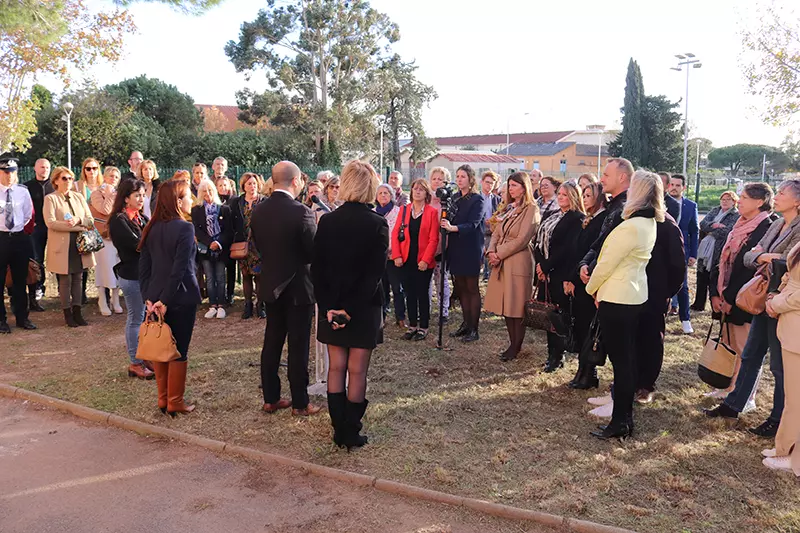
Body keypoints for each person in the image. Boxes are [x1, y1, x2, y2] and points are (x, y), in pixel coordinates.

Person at [706, 181, 800, 437]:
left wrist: (765, 256)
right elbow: (750, 257)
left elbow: (791, 262)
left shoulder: (795, 228)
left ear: (797, 202)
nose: (777, 196)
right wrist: (765, 257)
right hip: (763, 297)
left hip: (782, 302)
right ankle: (733, 405)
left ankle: (778, 418)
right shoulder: (779, 224)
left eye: (782, 193)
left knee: (779, 367)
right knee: (750, 354)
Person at [313, 160, 388, 448]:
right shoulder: (377, 223)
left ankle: (338, 429)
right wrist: (350, 310)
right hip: (363, 307)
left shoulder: (328, 221)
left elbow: (317, 270)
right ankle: (350, 430)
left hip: (333, 305)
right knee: (356, 371)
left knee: (336, 367)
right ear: (370, 186)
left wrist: (331, 307)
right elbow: (373, 275)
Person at [585, 170, 661, 440]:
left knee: (622, 363)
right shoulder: (649, 223)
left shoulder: (630, 226)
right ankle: (624, 419)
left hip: (617, 297)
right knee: (626, 361)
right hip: (633, 295)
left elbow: (606, 263)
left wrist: (591, 288)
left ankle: (620, 422)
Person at [251, 161, 320, 417]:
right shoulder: (301, 211)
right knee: (298, 346)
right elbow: (313, 251)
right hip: (298, 287)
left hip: (270, 283)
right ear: (295, 181)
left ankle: (271, 398)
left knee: (272, 341)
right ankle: (300, 403)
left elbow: (258, 246)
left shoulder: (258, 211)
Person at [703, 183, 774, 414]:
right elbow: (721, 259)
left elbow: (749, 270)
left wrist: (731, 298)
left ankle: (746, 395)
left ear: (760, 201)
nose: (739, 201)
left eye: (744, 197)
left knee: (745, 349)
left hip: (743, 298)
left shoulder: (767, 227)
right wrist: (715, 293)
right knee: (729, 344)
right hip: (725, 295)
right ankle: (728, 386)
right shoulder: (739, 224)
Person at [139, 180, 201, 415]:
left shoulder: (151, 227)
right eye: (187, 196)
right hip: (179, 298)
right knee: (178, 350)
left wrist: (149, 297)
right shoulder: (185, 228)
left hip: (155, 297)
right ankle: (175, 401)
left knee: (161, 348)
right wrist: (163, 300)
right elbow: (180, 268)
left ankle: (164, 399)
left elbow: (144, 268)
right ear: (177, 201)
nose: (191, 201)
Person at [484, 172, 540, 361]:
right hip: (502, 260)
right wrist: (491, 252)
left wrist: (499, 254)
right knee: (507, 305)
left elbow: (522, 239)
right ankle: (512, 343)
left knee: (517, 306)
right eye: (509, 186)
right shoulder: (510, 208)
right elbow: (497, 233)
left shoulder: (531, 209)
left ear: (524, 187)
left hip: (518, 261)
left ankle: (516, 346)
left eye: (515, 185)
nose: (511, 189)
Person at [633, 208, 686, 404]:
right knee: (634, 338)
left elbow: (678, 266)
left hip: (655, 293)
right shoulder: (634, 220)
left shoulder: (667, 224)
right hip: (633, 289)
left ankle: (646, 385)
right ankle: (631, 380)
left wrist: (665, 293)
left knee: (652, 339)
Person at [534, 181, 585, 371]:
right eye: (560, 194)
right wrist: (540, 264)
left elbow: (568, 249)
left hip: (560, 272)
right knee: (548, 314)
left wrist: (547, 266)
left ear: (573, 196)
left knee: (559, 316)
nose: (561, 197)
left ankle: (559, 356)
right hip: (545, 272)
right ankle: (551, 354)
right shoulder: (553, 215)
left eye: (565, 195)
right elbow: (539, 240)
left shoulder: (577, 218)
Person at [108, 178, 153, 380]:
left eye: (143, 195)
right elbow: (136, 244)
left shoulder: (141, 217)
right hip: (131, 275)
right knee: (135, 318)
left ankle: (143, 357)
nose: (141, 199)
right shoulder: (119, 220)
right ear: (126, 198)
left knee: (145, 318)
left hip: (144, 274)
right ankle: (135, 362)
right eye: (137, 195)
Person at [568, 181, 609, 389]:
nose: (584, 198)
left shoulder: (603, 219)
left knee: (589, 329)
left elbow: (594, 252)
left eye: (588, 194)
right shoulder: (590, 218)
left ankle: (588, 372)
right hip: (580, 276)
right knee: (582, 327)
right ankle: (582, 371)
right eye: (583, 194)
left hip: (589, 280)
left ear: (599, 197)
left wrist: (576, 278)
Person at [763, 242, 800, 473]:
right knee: (792, 396)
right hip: (790, 325)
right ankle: (784, 448)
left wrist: (777, 303)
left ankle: (794, 459)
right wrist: (777, 292)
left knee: (797, 400)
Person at [43, 167, 95, 327]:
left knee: (78, 278)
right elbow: (50, 223)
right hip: (62, 246)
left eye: (70, 178)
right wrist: (77, 226)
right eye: (64, 178)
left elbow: (90, 220)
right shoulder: (50, 199)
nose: (68, 182)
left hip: (79, 244)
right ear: (56, 181)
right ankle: (67, 314)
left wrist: (78, 220)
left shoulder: (79, 197)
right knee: (65, 280)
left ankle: (78, 312)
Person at [442, 164, 486, 343]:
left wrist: (454, 228)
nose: (459, 179)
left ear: (470, 179)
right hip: (455, 247)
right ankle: (465, 324)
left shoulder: (477, 200)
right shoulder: (454, 198)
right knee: (460, 288)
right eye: (457, 176)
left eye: (463, 176)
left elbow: (474, 224)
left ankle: (474, 329)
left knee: (471, 288)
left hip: (470, 248)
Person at [392, 179, 439, 341]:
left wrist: (426, 260)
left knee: (422, 293)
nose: (417, 191)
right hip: (405, 259)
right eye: (415, 189)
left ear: (426, 193)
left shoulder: (432, 212)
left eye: (421, 189)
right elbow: (395, 234)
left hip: (423, 261)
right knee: (409, 293)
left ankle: (423, 326)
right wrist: (397, 255)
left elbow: (434, 239)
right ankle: (412, 325)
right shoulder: (404, 210)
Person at [578, 158, 633, 287]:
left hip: (614, 284)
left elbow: (609, 250)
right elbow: (599, 243)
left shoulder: (625, 209)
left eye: (606, 175)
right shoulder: (613, 206)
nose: (602, 180)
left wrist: (590, 273)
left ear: (622, 177)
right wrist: (584, 263)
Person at [0, 157, 37, 333]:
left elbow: (28, 214)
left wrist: (19, 230)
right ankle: (1, 321)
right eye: (6, 172)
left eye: (12, 172)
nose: (9, 176)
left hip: (19, 237)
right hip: (0, 237)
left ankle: (22, 317)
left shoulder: (23, 192)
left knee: (20, 280)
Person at [191, 179, 234, 319]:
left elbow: (229, 230)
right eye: (204, 191)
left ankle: (221, 305)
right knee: (209, 278)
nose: (207, 193)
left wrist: (218, 242)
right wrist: (210, 242)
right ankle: (212, 305)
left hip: (221, 249)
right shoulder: (196, 210)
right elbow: (197, 230)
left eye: (210, 190)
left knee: (221, 277)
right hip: (206, 249)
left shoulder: (224, 209)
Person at [692, 191, 740, 312]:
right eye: (723, 199)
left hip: (719, 249)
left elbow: (728, 231)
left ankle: (715, 304)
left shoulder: (736, 215)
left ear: (734, 202)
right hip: (705, 248)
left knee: (714, 276)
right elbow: (703, 224)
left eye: (728, 199)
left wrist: (711, 228)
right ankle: (698, 304)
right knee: (701, 274)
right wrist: (716, 225)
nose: (724, 201)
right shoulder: (715, 210)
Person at [231, 172, 266, 319]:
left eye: (254, 183)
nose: (252, 186)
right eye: (249, 184)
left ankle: (260, 305)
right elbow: (233, 222)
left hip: (259, 244)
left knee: (259, 276)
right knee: (246, 276)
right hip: (243, 243)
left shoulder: (264, 201)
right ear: (243, 186)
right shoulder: (237, 202)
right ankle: (247, 305)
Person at [667, 174, 699, 334]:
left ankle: (685, 319)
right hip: (662, 249)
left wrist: (693, 253)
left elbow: (694, 231)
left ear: (683, 188)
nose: (674, 187)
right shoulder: (661, 203)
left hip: (681, 251)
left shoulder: (690, 206)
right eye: (671, 184)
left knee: (683, 286)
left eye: (677, 185)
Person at [90, 166, 123, 316]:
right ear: (104, 177)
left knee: (117, 266)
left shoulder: (120, 194)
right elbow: (105, 210)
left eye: (116, 177)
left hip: (117, 235)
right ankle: (102, 299)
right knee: (103, 267)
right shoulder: (97, 193)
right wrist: (110, 195)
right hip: (103, 236)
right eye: (110, 176)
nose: (113, 179)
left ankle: (115, 298)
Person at [22, 158, 52, 309]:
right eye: (41, 167)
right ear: (35, 168)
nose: (44, 169)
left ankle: (62, 287)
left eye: (47, 167)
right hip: (36, 227)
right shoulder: (27, 187)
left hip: (54, 227)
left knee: (57, 257)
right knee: (37, 258)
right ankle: (39, 287)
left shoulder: (55, 185)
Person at [376, 183, 405, 328]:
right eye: (380, 193)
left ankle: (400, 317)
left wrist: (394, 251)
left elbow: (401, 234)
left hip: (395, 256)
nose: (382, 196)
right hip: (379, 257)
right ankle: (382, 316)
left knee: (397, 288)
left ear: (391, 195)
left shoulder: (398, 211)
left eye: (386, 193)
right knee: (382, 288)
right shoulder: (373, 212)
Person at [75, 157, 103, 305]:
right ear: (84, 170)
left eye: (94, 168)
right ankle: (81, 293)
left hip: (103, 228)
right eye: (88, 168)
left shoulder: (104, 186)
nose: (91, 171)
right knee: (85, 261)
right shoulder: (78, 186)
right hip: (86, 228)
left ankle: (105, 294)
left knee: (104, 262)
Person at [428, 167, 452, 323]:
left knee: (441, 279)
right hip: (426, 246)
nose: (437, 182)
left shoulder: (448, 201)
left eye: (440, 179)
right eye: (434, 179)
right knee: (426, 280)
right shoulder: (425, 199)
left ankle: (444, 311)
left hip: (442, 246)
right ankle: (426, 308)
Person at [480, 171, 502, 282]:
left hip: (491, 231)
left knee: (489, 252)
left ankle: (487, 275)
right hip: (479, 230)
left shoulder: (497, 199)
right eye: (487, 182)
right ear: (482, 182)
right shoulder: (477, 197)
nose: (489, 185)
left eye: (491, 183)